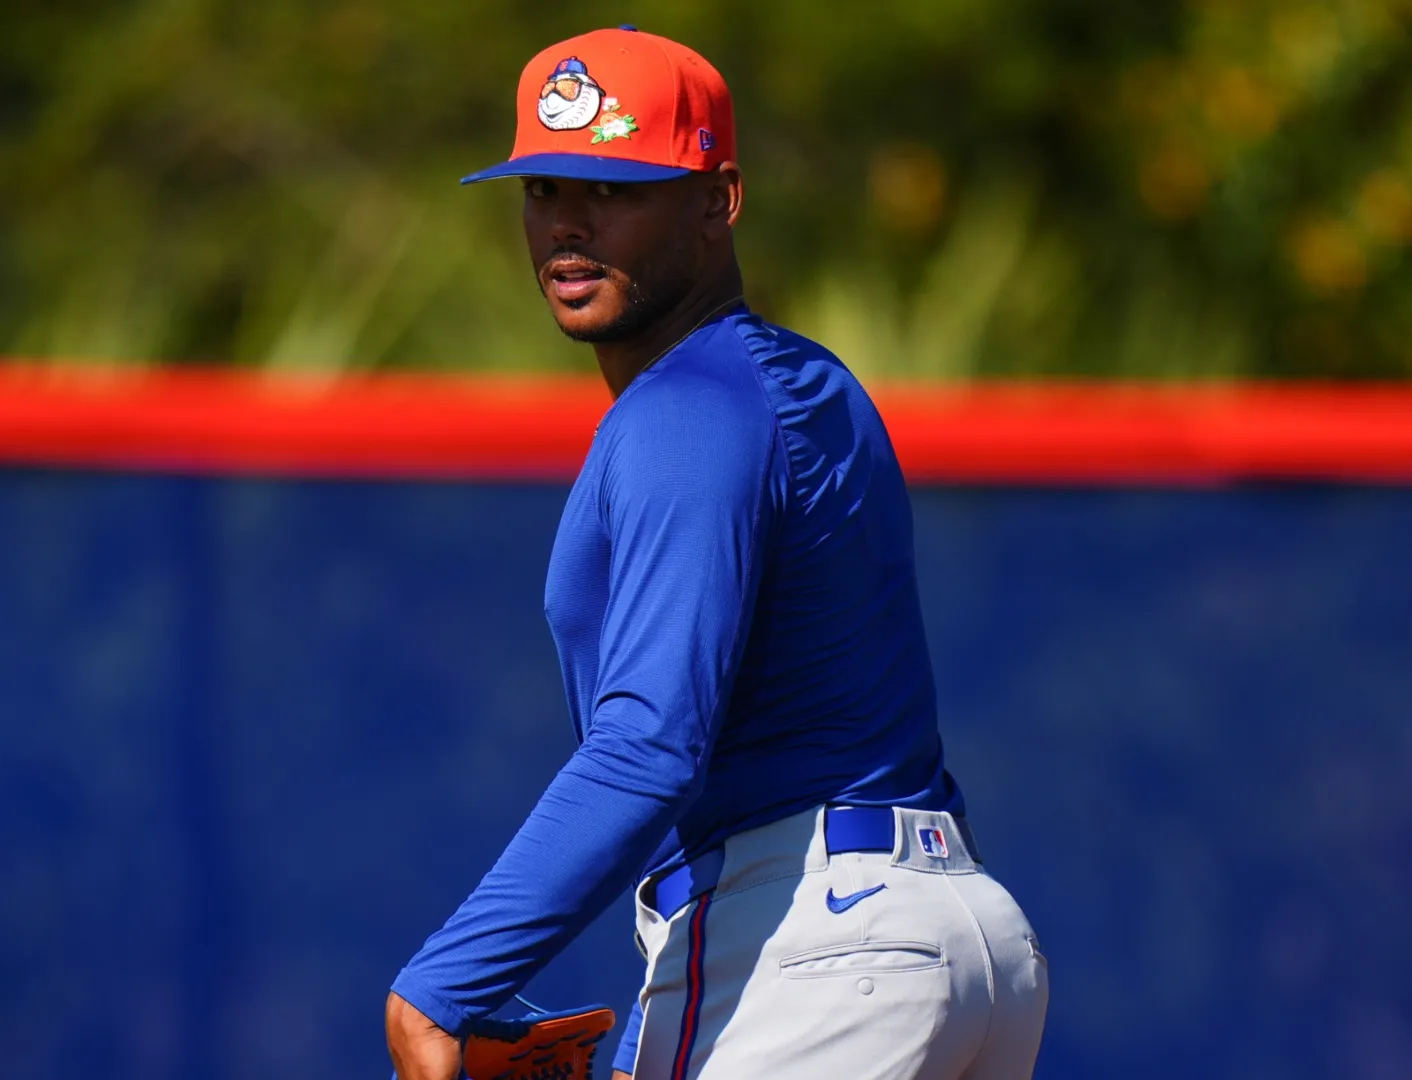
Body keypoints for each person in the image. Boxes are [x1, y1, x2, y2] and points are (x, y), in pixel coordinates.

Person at [385, 26, 1049, 1080]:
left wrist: (444, 984)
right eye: (545, 187)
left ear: (716, 198)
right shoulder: (808, 383)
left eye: (615, 187)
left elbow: (650, 744)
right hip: (963, 936)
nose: (569, 222)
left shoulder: (684, 409)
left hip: (820, 945)